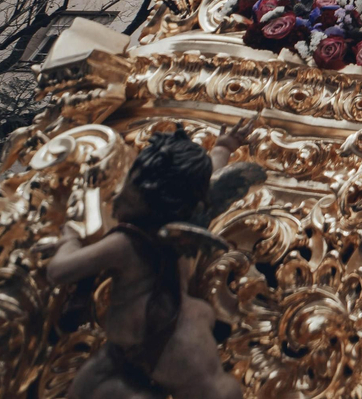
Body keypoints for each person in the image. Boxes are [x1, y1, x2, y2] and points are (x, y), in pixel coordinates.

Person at [44, 127, 242, 399]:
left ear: (147, 194)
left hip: (165, 344)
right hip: (159, 337)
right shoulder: (185, 218)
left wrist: (69, 239)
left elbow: (60, 271)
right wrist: (223, 148)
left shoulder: (126, 243)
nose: (118, 194)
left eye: (130, 185)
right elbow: (208, 181)